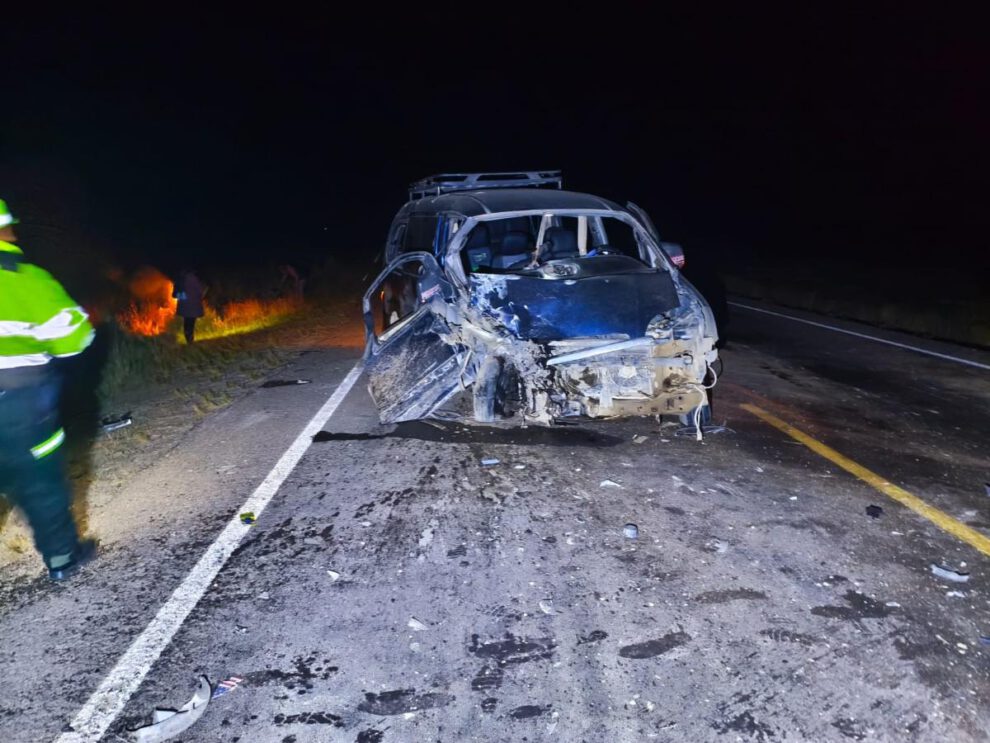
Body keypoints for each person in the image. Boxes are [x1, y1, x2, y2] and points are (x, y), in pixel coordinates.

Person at [0, 198, 97, 581]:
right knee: (40, 480)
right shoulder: (23, 277)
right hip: (21, 404)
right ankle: (61, 560)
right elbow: (76, 338)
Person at [174, 268, 206, 343]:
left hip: (185, 307)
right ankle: (190, 341)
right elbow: (200, 292)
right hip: (194, 306)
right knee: (191, 324)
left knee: (186, 324)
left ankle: (188, 340)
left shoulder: (181, 280)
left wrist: (183, 298)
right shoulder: (196, 280)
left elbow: (175, 295)